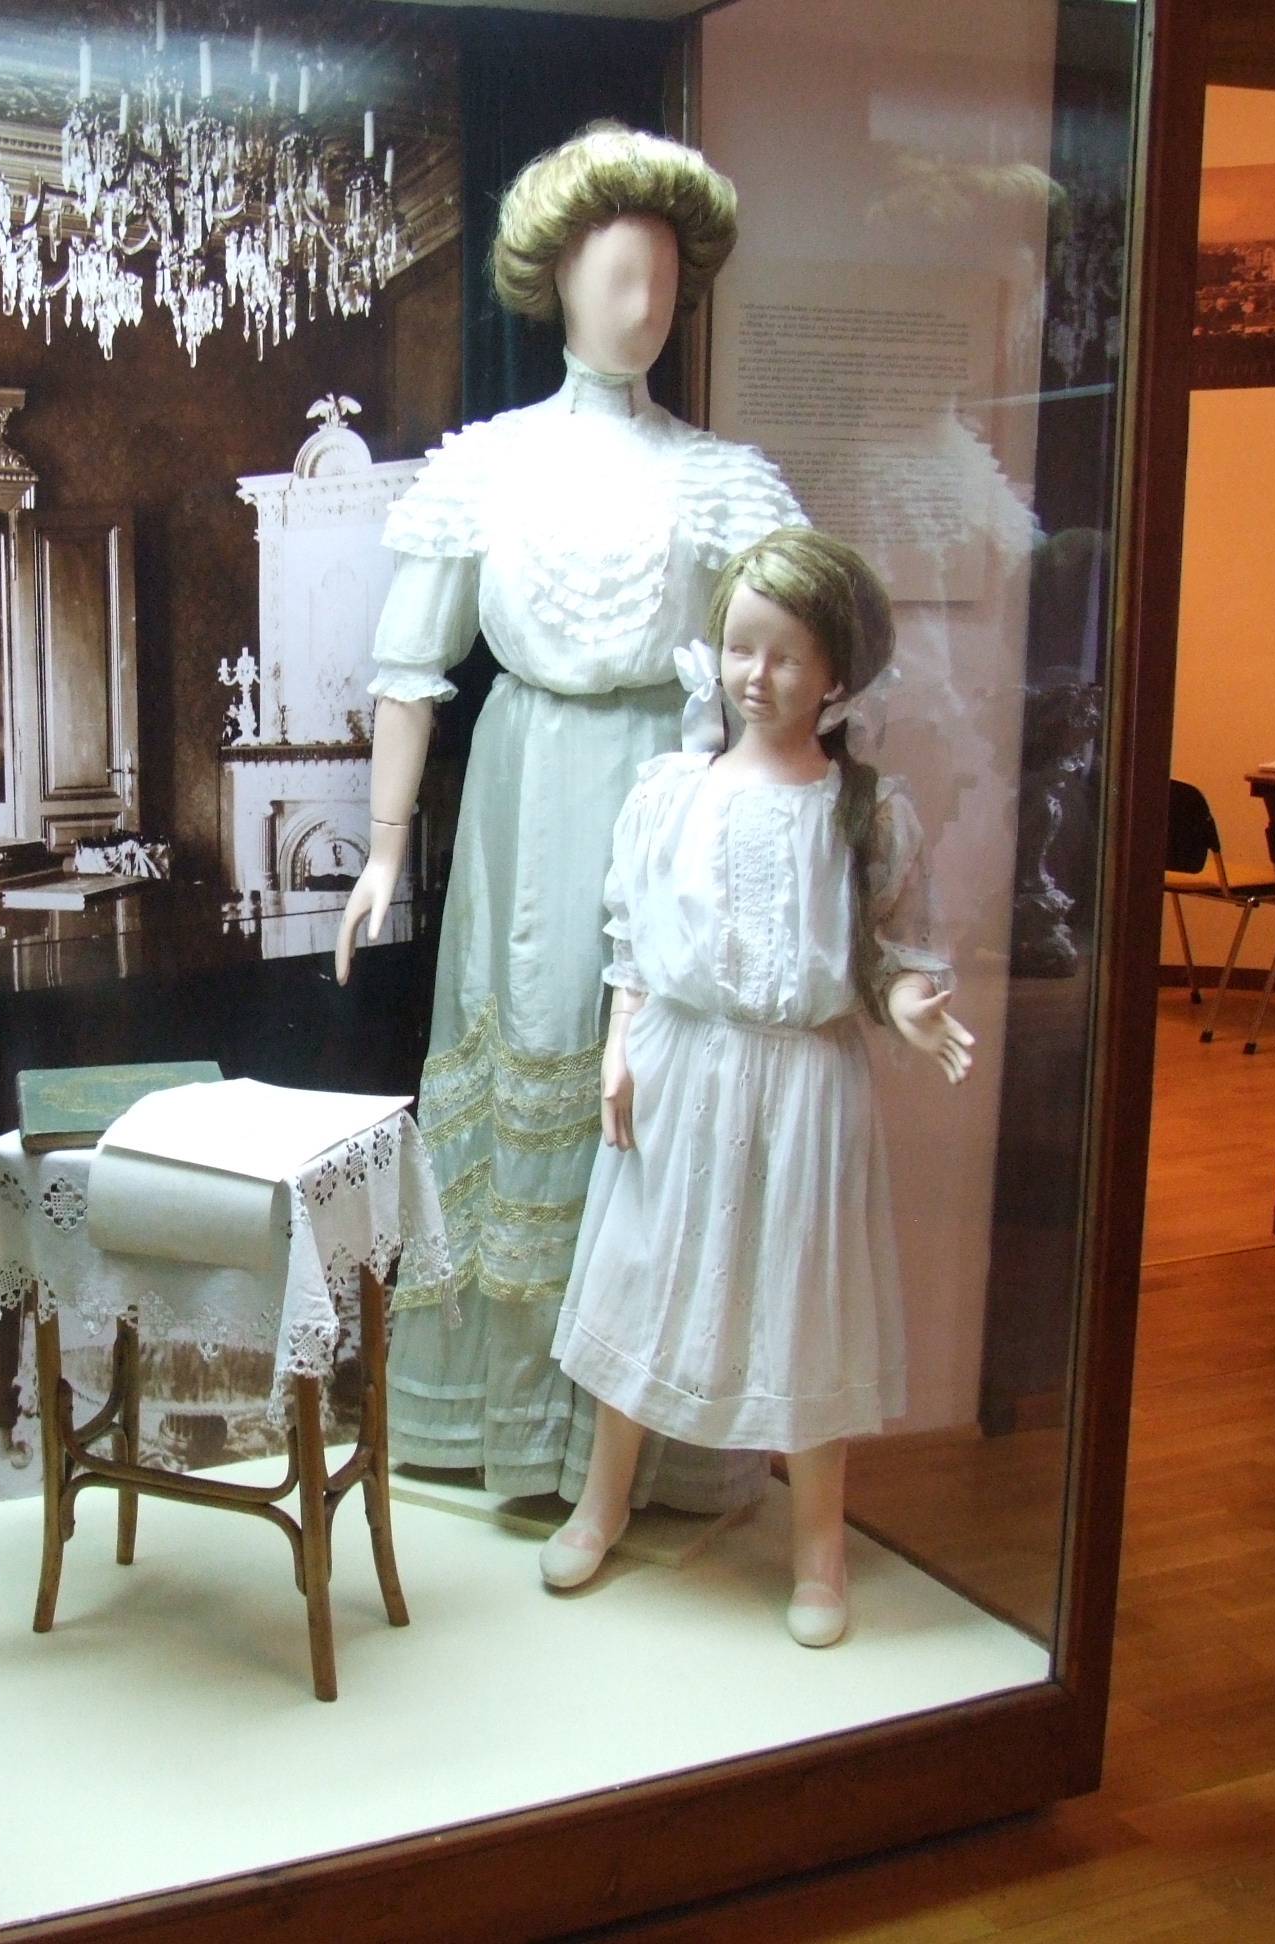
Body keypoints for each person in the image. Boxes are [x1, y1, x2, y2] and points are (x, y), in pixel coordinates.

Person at [335, 125, 803, 1509]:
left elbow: (779, 674)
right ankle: (512, 1427)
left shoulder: (719, 477)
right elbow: (409, 666)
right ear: (559, 284)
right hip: (527, 792)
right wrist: (383, 847)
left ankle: (648, 1450)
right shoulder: (493, 466)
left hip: (674, 789)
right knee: (536, 1047)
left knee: (660, 1093)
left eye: (662, 278)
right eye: (616, 275)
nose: (642, 304)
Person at [540, 529, 975, 1646]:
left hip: (807, 1085)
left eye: (786, 656)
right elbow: (635, 933)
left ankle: (819, 1546)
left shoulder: (865, 810)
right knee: (647, 1272)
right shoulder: (673, 793)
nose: (757, 675)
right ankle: (603, 1498)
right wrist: (620, 1043)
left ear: (835, 674)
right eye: (742, 648)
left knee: (803, 1296)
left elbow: (893, 946)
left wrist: (910, 1005)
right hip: (685, 1068)